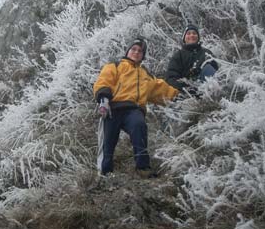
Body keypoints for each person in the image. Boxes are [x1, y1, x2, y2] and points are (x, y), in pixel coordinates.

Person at [93, 37, 178, 177]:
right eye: (134, 49)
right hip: (112, 108)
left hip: (133, 109)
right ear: (128, 51)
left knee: (139, 126)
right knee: (107, 143)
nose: (136, 52)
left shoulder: (145, 75)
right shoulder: (115, 66)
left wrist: (180, 96)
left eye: (140, 51)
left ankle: (143, 168)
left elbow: (162, 90)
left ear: (143, 56)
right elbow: (104, 81)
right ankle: (104, 173)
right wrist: (104, 99)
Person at [165, 24, 219, 94]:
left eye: (194, 33)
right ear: (184, 38)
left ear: (198, 37)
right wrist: (187, 88)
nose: (191, 35)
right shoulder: (178, 56)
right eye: (188, 33)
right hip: (187, 91)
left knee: (208, 68)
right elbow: (171, 77)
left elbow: (216, 71)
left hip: (207, 89)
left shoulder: (206, 52)